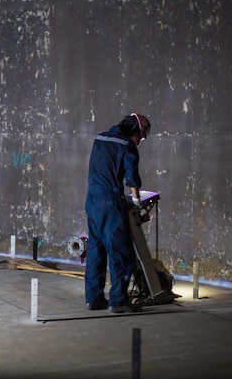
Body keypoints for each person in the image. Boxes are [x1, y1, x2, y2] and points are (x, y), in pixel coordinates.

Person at [84, 113, 151, 313]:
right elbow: (131, 177)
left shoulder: (100, 138)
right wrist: (137, 201)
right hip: (110, 204)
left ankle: (94, 299)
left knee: (96, 250)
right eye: (142, 135)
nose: (141, 140)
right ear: (135, 130)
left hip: (92, 201)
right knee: (122, 253)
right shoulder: (126, 146)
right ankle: (118, 301)